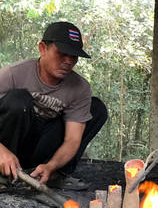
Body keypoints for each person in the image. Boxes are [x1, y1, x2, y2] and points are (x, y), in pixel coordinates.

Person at [0, 22, 108, 190]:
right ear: (43, 48)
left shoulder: (80, 88)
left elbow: (72, 140)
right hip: (10, 146)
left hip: (42, 149)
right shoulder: (13, 74)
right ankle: (4, 176)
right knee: (18, 100)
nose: (68, 61)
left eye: (73, 56)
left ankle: (55, 175)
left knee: (97, 108)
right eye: (62, 54)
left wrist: (51, 165)